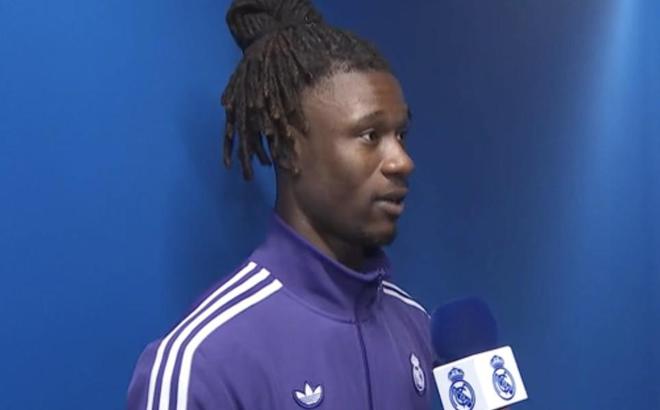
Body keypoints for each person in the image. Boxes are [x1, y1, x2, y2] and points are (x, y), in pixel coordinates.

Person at [127, 0, 433, 409]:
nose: (402, 161)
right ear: (288, 148)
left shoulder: (414, 324)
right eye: (370, 136)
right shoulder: (201, 363)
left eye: (401, 135)